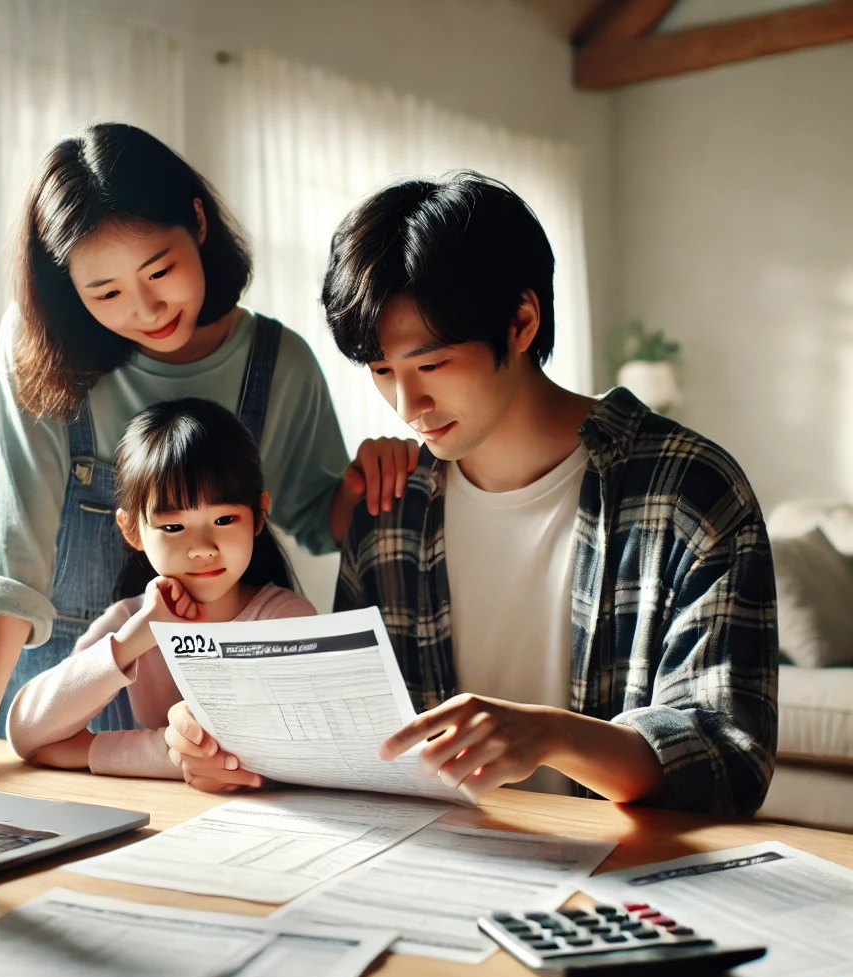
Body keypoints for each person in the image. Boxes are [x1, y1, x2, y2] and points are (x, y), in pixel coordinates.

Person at [168, 171, 778, 815]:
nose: (408, 405)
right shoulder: (391, 509)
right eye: (382, 371)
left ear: (520, 322)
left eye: (430, 365)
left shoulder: (690, 492)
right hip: (433, 869)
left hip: (623, 881)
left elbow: (728, 758)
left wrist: (552, 736)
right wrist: (237, 758)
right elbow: (359, 754)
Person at [0, 123, 416, 782]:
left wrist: (369, 476)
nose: (145, 310)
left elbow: (321, 520)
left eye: (160, 271)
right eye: (106, 293)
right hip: (66, 708)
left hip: (214, 738)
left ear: (197, 223)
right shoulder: (43, 352)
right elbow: (13, 562)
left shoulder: (279, 364)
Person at [6, 399, 311, 782]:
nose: (203, 547)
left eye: (223, 519)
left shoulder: (286, 620)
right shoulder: (129, 621)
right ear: (132, 529)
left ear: (259, 516)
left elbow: (259, 755)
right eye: (172, 527)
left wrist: (102, 751)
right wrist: (137, 637)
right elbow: (26, 734)